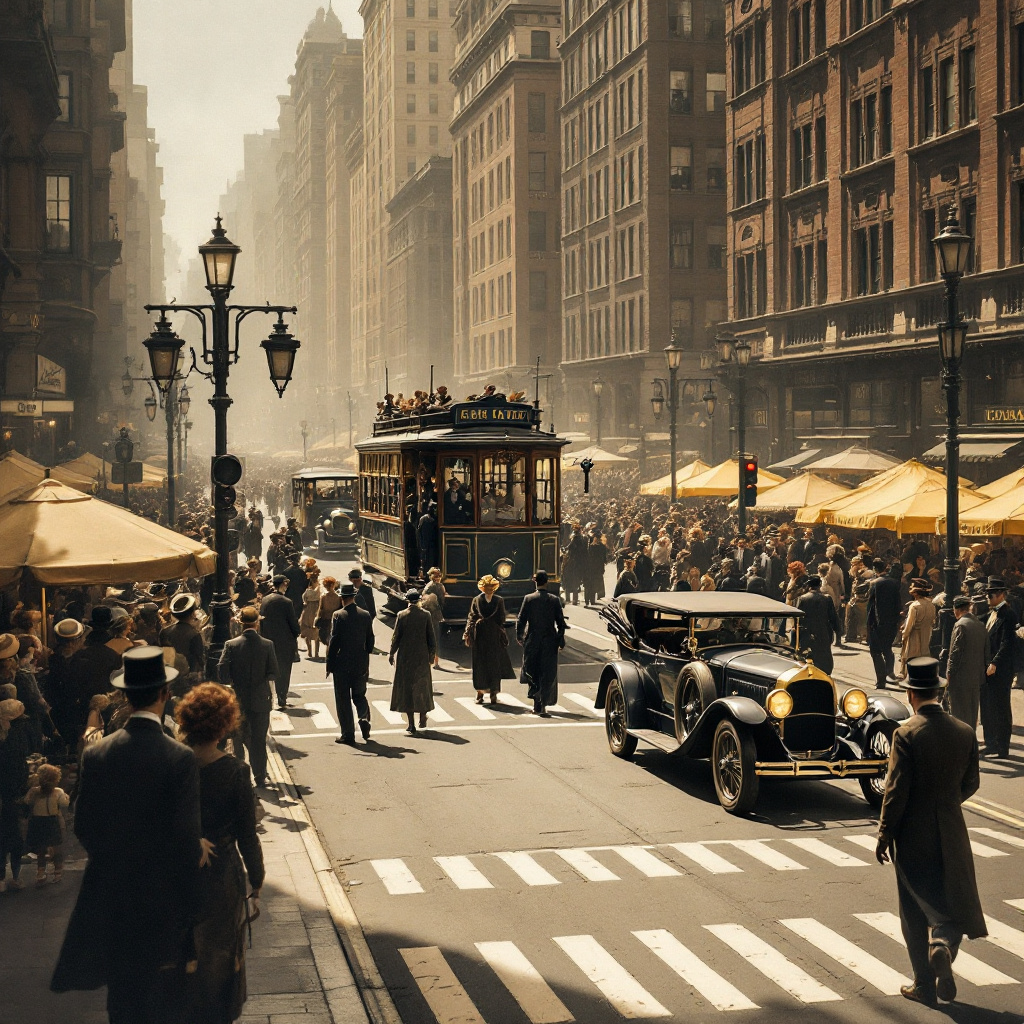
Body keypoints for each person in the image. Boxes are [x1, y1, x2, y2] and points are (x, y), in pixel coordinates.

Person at [51, 646, 203, 1022]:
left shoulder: (98, 754)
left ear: (125, 695)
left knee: (122, 993)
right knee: (163, 994)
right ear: (164, 694)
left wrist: (115, 860)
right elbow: (186, 837)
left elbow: (83, 823)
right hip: (162, 895)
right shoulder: (179, 758)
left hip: (112, 893)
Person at [875, 657, 985, 1007]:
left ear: (911, 694)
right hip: (951, 829)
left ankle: (924, 982)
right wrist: (947, 805)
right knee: (952, 897)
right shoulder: (965, 732)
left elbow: (895, 791)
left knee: (913, 908)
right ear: (939, 691)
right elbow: (971, 783)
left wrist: (885, 833)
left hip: (913, 832)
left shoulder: (906, 733)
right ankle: (944, 947)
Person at [175, 683, 265, 1024]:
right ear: (225, 724)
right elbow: (247, 834)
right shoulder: (235, 771)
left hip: (180, 869)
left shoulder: (175, 763)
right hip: (222, 870)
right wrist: (256, 880)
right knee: (223, 950)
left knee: (185, 945)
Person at [218, 606, 278, 788]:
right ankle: (260, 775)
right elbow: (273, 672)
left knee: (238, 738)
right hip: (260, 699)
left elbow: (222, 672)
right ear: (257, 623)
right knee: (259, 740)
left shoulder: (231, 645)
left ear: (241, 624)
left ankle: (241, 775)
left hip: (239, 698)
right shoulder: (267, 645)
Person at [325, 583, 375, 745]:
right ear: (354, 597)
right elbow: (370, 640)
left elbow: (334, 642)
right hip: (360, 662)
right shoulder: (365, 615)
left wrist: (329, 664)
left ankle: (348, 734)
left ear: (342, 598)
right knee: (359, 695)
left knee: (343, 699)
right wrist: (365, 652)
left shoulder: (338, 615)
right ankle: (363, 717)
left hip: (342, 664)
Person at [516, 570, 566, 716]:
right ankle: (543, 703)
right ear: (547, 582)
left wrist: (520, 636)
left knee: (533, 670)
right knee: (547, 671)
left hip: (533, 640)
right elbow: (561, 623)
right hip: (550, 640)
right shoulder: (554, 600)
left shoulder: (528, 599)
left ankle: (536, 704)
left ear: (535, 582)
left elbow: (521, 619)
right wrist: (560, 640)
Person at [388, 590, 436, 735]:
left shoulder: (402, 615)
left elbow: (396, 636)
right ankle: (422, 715)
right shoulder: (426, 615)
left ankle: (411, 724)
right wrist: (431, 656)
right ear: (419, 600)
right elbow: (431, 638)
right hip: (421, 656)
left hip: (406, 657)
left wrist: (391, 653)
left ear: (407, 601)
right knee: (422, 686)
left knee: (407, 688)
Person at [981, 575, 1018, 758]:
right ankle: (992, 743)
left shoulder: (1008, 615)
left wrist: (995, 662)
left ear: (1002, 595)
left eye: (992, 594)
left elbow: (1007, 643)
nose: (989, 597)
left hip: (1001, 669)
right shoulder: (992, 613)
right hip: (989, 667)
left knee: (1001, 708)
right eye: (988, 594)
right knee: (989, 706)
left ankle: (1002, 747)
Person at [464, 575, 514, 705]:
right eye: (487, 588)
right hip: (483, 635)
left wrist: (469, 630)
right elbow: (501, 618)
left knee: (492, 664)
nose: (489, 590)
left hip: (489, 635)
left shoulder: (479, 600)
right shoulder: (497, 600)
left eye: (490, 588)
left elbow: (472, 617)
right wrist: (468, 633)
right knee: (481, 663)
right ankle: (481, 692)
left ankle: (491, 692)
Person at [945, 595, 989, 729]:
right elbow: (986, 652)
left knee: (958, 713)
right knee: (972, 711)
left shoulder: (960, 625)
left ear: (956, 609)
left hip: (960, 677)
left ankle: (961, 744)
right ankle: (971, 742)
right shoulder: (980, 625)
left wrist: (949, 673)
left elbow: (955, 652)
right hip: (976, 677)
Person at [259, 575, 300, 710]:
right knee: (284, 670)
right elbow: (293, 623)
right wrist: (296, 633)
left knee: (271, 669)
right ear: (282, 585)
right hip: (284, 641)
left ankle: (272, 696)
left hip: (268, 638)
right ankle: (282, 697)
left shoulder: (265, 600)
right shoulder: (286, 602)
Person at [25, 762, 69, 886]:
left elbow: (27, 801)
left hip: (38, 822)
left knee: (41, 849)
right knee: (57, 848)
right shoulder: (58, 791)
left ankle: (40, 873)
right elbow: (65, 804)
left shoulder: (34, 791)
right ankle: (57, 872)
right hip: (52, 821)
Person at [867, 561, 903, 688]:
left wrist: (869, 624)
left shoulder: (874, 583)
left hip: (877, 623)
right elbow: (898, 603)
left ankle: (881, 680)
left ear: (875, 569)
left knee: (876, 651)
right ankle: (890, 672)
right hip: (891, 622)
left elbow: (871, 606)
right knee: (887, 648)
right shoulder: (895, 583)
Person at [795, 575, 840, 674]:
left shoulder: (802, 598)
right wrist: (838, 631)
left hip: (807, 632)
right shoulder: (826, 598)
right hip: (823, 631)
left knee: (808, 656)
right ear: (819, 585)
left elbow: (798, 618)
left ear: (809, 586)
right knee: (824, 657)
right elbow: (833, 617)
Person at [160, 593, 207, 683]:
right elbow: (199, 660)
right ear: (192, 613)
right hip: (187, 678)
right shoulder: (194, 634)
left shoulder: (164, 631)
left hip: (168, 675)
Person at [899, 579, 937, 679]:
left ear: (916, 593)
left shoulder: (914, 606)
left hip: (914, 637)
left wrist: (904, 635)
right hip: (926, 635)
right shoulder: (932, 605)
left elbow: (909, 626)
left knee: (911, 661)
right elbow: (933, 622)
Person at [422, 567, 446, 665]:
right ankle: (435, 660)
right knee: (435, 637)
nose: (439, 577)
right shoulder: (439, 586)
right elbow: (441, 601)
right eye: (437, 576)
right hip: (434, 614)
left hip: (427, 612)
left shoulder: (428, 586)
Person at [299, 568, 323, 660]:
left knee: (308, 629)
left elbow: (304, 599)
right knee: (316, 630)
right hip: (316, 609)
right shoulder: (318, 590)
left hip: (308, 610)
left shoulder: (307, 591)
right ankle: (315, 652)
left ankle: (310, 651)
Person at [314, 576, 342, 651]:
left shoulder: (323, 596)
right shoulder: (339, 597)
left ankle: (327, 656)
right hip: (335, 620)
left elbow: (320, 609)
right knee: (331, 639)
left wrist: (317, 620)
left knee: (326, 639)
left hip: (325, 620)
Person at [416, 502, 439, 575]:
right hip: (426, 541)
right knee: (425, 559)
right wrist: (421, 542)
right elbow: (419, 531)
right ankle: (426, 574)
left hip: (432, 542)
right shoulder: (424, 519)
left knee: (431, 559)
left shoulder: (435, 519)